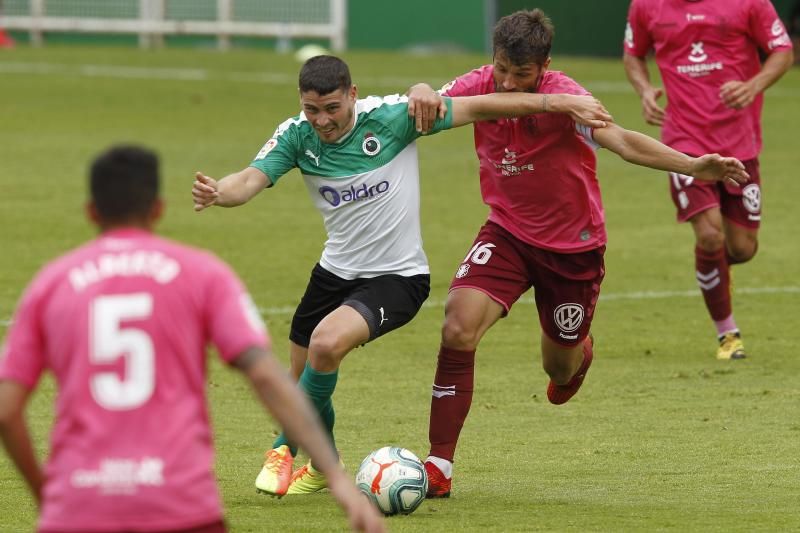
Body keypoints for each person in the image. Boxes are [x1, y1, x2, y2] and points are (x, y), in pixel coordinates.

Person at [191, 54, 616, 497]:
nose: (323, 121)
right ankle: (324, 466)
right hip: (333, 273)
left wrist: (556, 104)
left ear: (352, 95)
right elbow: (249, 180)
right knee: (306, 376)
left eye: (332, 108)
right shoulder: (297, 136)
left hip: (397, 279)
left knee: (324, 344)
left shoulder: (394, 118)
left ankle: (283, 447)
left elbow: (483, 107)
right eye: (312, 109)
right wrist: (221, 192)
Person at [405, 8, 750, 498]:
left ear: (543, 66)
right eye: (501, 68)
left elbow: (626, 144)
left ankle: (578, 354)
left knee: (559, 370)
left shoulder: (573, 100)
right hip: (506, 234)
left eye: (520, 75)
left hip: (573, 249)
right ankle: (439, 464)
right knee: (457, 327)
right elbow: (427, 105)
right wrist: (419, 89)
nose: (505, 83)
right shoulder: (479, 84)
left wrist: (696, 165)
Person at [0, 145, 385, 533]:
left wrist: (46, 491)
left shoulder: (51, 284)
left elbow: (4, 408)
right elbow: (268, 377)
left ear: (92, 212)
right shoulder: (202, 275)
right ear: (157, 209)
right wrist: (336, 478)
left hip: (78, 509)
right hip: (181, 506)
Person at [623, 0, 794, 360]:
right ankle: (728, 335)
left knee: (742, 248)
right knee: (710, 233)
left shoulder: (749, 3)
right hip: (684, 145)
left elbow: (782, 50)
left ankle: (711, 265)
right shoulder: (646, 6)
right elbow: (633, 53)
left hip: (739, 141)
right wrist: (643, 89)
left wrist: (753, 85)